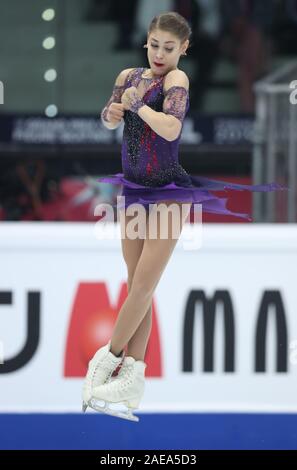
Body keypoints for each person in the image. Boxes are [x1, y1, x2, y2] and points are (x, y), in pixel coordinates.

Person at [82, 11, 286, 421]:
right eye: (155, 45)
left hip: (169, 192)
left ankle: (107, 360)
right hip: (134, 190)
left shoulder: (176, 80)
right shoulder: (128, 75)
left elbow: (171, 129)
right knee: (136, 283)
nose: (159, 53)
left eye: (169, 48)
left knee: (142, 286)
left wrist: (137, 107)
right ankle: (132, 382)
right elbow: (107, 118)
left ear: (184, 49)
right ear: (147, 41)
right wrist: (112, 115)